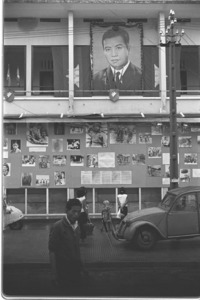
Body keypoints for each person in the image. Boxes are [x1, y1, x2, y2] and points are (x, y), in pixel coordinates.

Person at [48, 198, 87, 295]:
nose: (76, 215)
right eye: (73, 211)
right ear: (66, 211)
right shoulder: (57, 227)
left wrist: (82, 267)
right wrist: (54, 275)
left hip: (76, 271)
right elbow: (52, 251)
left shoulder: (77, 226)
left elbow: (76, 248)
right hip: (63, 272)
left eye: (78, 212)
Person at [93, 26, 142, 94]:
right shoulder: (96, 79)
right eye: (108, 49)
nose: (113, 54)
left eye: (118, 48)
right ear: (104, 51)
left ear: (128, 48)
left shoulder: (141, 77)